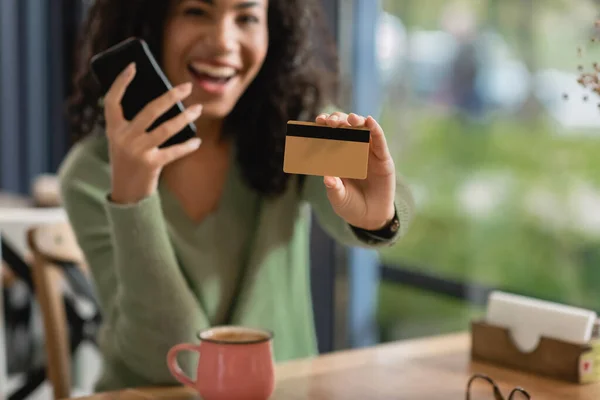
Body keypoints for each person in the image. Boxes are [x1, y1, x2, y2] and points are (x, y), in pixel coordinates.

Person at [58, 0, 415, 392]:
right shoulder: (92, 174)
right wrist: (132, 198)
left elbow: (387, 198)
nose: (224, 42)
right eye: (196, 11)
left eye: (246, 17)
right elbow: (171, 355)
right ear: (148, 21)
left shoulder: (288, 128)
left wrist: (378, 216)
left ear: (272, 30)